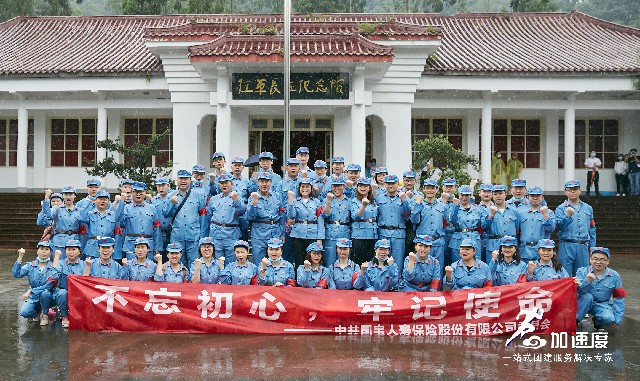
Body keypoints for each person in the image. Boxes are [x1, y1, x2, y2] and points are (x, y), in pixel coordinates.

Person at [163, 169, 208, 266]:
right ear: (176, 180)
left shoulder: (197, 196)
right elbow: (165, 214)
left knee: (194, 264)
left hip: (193, 236)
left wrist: (202, 236)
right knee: (177, 264)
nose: (183, 181)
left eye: (186, 179)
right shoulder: (171, 196)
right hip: (177, 236)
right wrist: (171, 203)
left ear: (190, 180)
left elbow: (202, 217)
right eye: (181, 178)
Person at [575, 247, 626, 330]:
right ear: (590, 259)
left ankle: (597, 322)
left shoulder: (615, 276)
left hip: (602, 304)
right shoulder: (581, 271)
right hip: (583, 303)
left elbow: (619, 297)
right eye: (595, 259)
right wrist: (587, 281)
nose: (598, 262)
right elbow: (577, 291)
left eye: (602, 259)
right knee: (587, 297)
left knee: (608, 318)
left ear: (607, 261)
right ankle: (575, 320)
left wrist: (618, 318)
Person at [554, 180, 596, 276]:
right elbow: (559, 227)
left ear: (580, 191)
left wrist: (592, 247)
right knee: (565, 275)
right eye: (569, 190)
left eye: (575, 189)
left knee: (583, 275)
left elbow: (592, 228)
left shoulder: (588, 208)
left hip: (583, 245)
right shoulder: (561, 208)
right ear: (565, 192)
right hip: (566, 245)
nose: (572, 192)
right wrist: (567, 217)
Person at [116, 181, 162, 263]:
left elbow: (156, 228)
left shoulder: (152, 208)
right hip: (131, 244)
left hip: (148, 244)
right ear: (132, 192)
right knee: (131, 270)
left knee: (149, 270)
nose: (138, 194)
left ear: (145, 193)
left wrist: (157, 248)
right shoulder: (126, 207)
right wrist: (121, 202)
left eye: (141, 192)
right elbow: (118, 220)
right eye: (136, 192)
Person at [246, 171, 286, 266]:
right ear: (258, 183)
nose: (264, 184)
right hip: (259, 234)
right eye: (262, 181)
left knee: (275, 262)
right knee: (258, 263)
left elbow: (282, 216)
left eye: (267, 181)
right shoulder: (253, 197)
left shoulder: (277, 196)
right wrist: (254, 204)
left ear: (271, 182)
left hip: (274, 232)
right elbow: (249, 217)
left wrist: (283, 233)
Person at [410, 178, 448, 273]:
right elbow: (414, 220)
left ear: (437, 190)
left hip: (438, 242)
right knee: (422, 269)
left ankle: (437, 288)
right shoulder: (419, 204)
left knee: (438, 270)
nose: (430, 191)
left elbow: (447, 221)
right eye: (427, 188)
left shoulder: (441, 205)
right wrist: (417, 205)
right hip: (423, 243)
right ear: (423, 189)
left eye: (432, 188)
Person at [13, 242, 56, 326]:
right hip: (34, 296)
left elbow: (49, 285)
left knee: (45, 293)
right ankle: (37, 311)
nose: (43, 252)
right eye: (41, 249)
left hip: (48, 295)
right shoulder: (31, 265)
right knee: (24, 312)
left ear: (50, 252)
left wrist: (30, 291)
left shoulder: (53, 267)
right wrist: (20, 257)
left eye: (46, 249)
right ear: (37, 251)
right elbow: (16, 274)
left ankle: (45, 313)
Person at [205, 173, 246, 263]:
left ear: (231, 184)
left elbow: (242, 212)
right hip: (216, 235)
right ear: (219, 184)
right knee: (216, 263)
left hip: (231, 235)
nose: (224, 185)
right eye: (221, 183)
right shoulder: (213, 199)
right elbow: (208, 215)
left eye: (226, 182)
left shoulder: (237, 197)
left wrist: (236, 201)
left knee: (231, 263)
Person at [287, 179, 325, 269]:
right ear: (299, 188)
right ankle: (299, 281)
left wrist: (320, 238)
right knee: (298, 260)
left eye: (307, 186)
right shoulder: (295, 201)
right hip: (297, 234)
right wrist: (290, 201)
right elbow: (291, 216)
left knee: (312, 259)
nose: (305, 189)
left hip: (312, 234)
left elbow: (320, 220)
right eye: (302, 187)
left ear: (311, 188)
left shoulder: (316, 202)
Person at [376, 174, 410, 272]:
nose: (390, 186)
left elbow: (407, 214)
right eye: (388, 183)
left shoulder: (403, 198)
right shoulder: (379, 198)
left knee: (397, 262)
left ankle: (396, 285)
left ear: (397, 184)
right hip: (383, 233)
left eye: (393, 183)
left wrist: (404, 200)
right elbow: (376, 216)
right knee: (382, 261)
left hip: (398, 233)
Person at [446, 185, 486, 263]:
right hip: (458, 239)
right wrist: (455, 206)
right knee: (457, 264)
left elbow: (483, 225)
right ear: (458, 195)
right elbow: (451, 221)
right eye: (462, 195)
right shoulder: (453, 207)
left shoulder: (477, 209)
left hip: (474, 238)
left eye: (467, 195)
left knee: (476, 264)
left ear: (470, 195)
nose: (464, 198)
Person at [52, 239, 86, 328]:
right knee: (62, 293)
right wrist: (56, 258)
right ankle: (64, 316)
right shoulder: (60, 263)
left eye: (74, 249)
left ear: (79, 251)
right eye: (68, 249)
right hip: (64, 290)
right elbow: (54, 275)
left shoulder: (85, 264)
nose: (71, 252)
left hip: (79, 292)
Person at [42, 185, 82, 258]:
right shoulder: (56, 209)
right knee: (58, 264)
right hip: (59, 241)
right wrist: (46, 198)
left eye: (70, 194)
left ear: (74, 196)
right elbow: (48, 214)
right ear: (63, 196)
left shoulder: (79, 211)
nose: (68, 197)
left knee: (73, 264)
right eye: (66, 194)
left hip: (74, 241)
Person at [517, 186, 554, 263]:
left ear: (542, 197)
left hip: (541, 250)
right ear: (527, 197)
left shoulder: (549, 213)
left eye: (538, 196)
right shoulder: (521, 213)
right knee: (524, 274)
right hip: (524, 250)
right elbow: (517, 232)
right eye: (532, 196)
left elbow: (551, 229)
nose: (535, 198)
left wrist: (546, 216)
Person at [79, 189, 119, 260]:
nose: (102, 201)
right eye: (100, 199)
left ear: (108, 201)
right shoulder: (90, 214)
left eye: (105, 199)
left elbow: (116, 232)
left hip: (107, 245)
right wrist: (88, 201)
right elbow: (81, 217)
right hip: (92, 247)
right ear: (95, 200)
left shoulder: (113, 215)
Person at [484, 184, 519, 263]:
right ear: (492, 195)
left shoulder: (513, 211)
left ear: (505, 194)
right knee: (493, 269)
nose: (498, 196)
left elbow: (518, 227)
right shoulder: (487, 210)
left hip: (510, 246)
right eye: (495, 194)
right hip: (494, 245)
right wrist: (491, 215)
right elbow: (484, 227)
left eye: (500, 193)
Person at [323, 177, 351, 266]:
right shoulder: (327, 199)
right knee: (329, 260)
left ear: (343, 187)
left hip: (344, 232)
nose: (336, 188)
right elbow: (325, 215)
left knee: (343, 260)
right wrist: (328, 202)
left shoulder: (349, 201)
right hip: (330, 233)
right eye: (334, 186)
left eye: (339, 186)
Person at [350, 177, 378, 265]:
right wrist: (363, 206)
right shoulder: (354, 201)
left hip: (372, 235)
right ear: (357, 188)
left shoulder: (373, 201)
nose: (363, 188)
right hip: (359, 235)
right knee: (358, 262)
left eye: (366, 186)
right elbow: (355, 217)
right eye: (360, 186)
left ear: (369, 188)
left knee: (370, 262)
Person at [149, 177, 173, 261]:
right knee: (158, 258)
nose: (160, 188)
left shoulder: (173, 198)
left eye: (163, 185)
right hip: (158, 233)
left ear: (168, 186)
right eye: (158, 186)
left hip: (171, 233)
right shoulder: (153, 200)